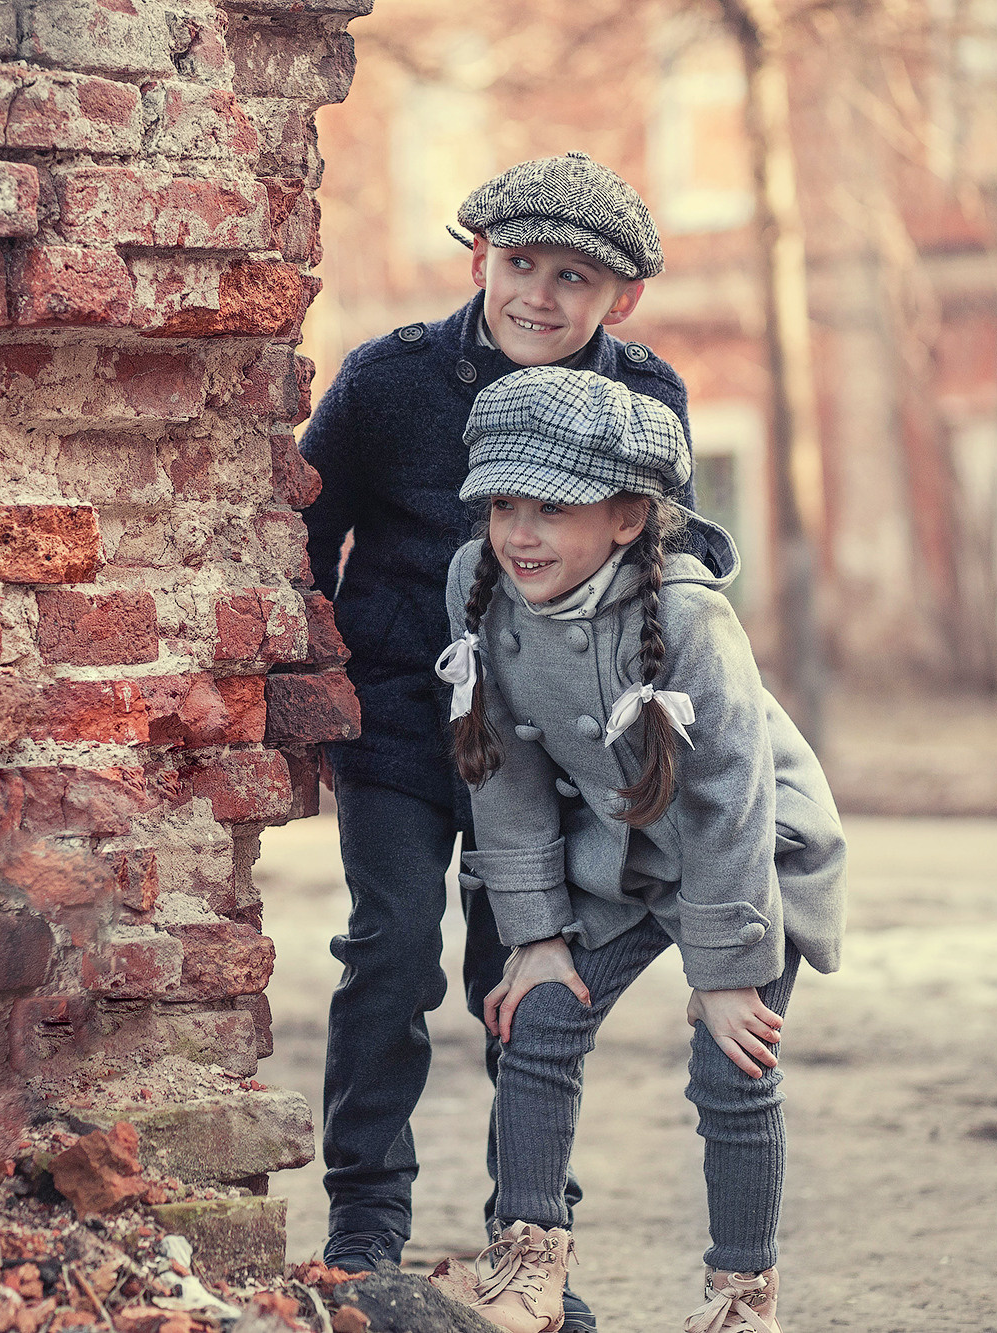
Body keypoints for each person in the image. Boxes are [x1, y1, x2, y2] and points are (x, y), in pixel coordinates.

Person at [299, 152, 700, 1331]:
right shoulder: (388, 380)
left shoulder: (645, 398)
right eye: (519, 264)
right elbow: (305, 530)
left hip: (548, 741)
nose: (539, 295)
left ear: (617, 298)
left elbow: (662, 563)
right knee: (389, 948)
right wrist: (320, 677)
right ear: (478, 258)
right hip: (396, 724)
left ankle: (528, 1244)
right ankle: (363, 1229)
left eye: (573, 278)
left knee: (529, 977)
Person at [438, 366, 847, 1333]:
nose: (519, 532)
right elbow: (500, 772)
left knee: (732, 1061)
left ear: (626, 518)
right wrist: (533, 932)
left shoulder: (696, 621)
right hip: (618, 849)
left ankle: (741, 1301)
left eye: (550, 507)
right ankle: (528, 1268)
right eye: (502, 504)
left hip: (751, 851)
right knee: (537, 1015)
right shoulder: (479, 586)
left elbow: (730, 802)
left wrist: (728, 971)